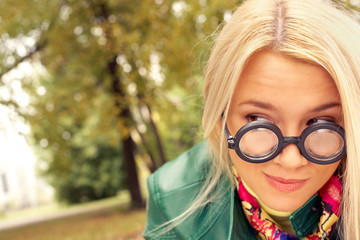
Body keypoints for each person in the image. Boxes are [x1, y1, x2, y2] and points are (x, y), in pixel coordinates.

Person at [143, 0, 360, 239]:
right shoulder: (173, 203)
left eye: (320, 123)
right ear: (221, 116)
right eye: (258, 119)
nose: (290, 160)